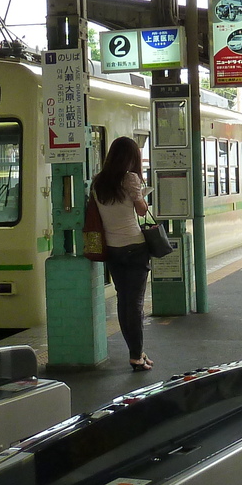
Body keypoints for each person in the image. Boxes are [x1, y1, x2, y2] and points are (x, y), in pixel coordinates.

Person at [90, 137, 154, 371]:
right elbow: (141, 209)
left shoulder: (98, 182)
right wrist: (142, 197)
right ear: (131, 157)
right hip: (135, 247)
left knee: (124, 301)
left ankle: (137, 352)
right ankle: (136, 356)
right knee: (135, 304)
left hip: (113, 250)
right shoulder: (131, 179)